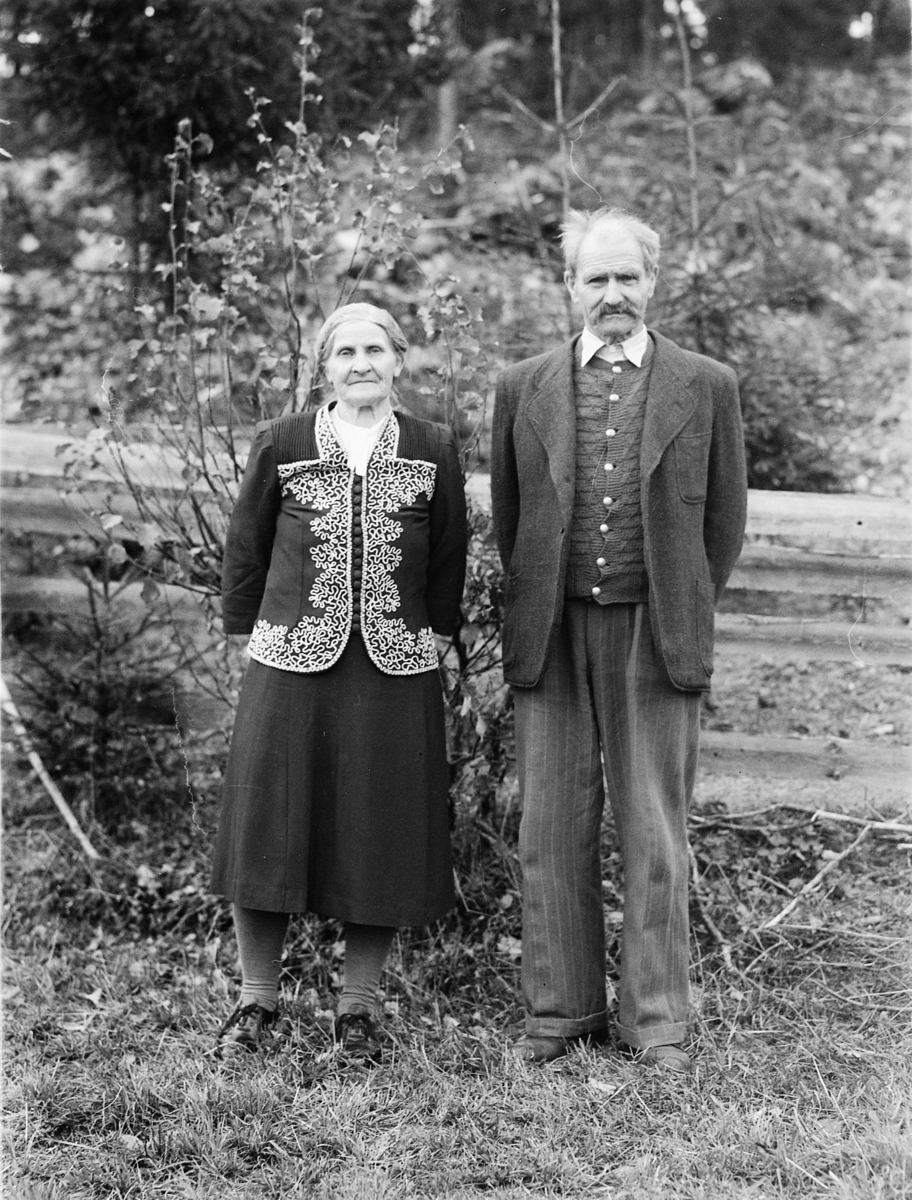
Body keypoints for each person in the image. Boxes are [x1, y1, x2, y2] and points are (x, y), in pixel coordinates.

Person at [491, 207, 747, 1074]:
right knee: (552, 826)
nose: (611, 295)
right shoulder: (522, 386)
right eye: (594, 279)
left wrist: (678, 602)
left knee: (654, 828)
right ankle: (562, 1013)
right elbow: (515, 521)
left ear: (652, 283)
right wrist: (543, 597)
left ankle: (656, 1020)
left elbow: (723, 525)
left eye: (625, 277)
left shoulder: (705, 384)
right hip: (553, 631)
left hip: (656, 630)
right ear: (571, 288)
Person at [211, 302, 468, 1063]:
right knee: (269, 826)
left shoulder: (432, 448)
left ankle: (356, 1009)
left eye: (375, 351)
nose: (361, 364)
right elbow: (245, 550)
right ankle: (257, 1002)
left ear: (399, 361)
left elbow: (450, 550)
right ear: (324, 366)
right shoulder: (283, 442)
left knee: (377, 827)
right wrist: (249, 637)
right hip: (290, 662)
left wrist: (437, 635)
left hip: (396, 666)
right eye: (345, 352)